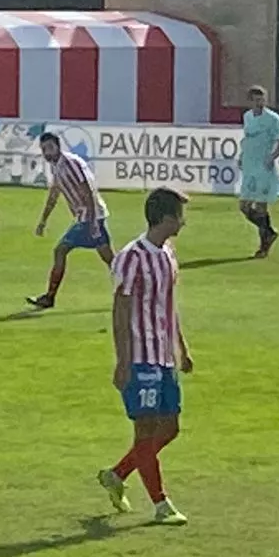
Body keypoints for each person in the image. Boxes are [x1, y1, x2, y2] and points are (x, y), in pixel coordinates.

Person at [98, 187, 193, 526]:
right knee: (145, 430)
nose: (183, 222)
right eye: (180, 215)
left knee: (170, 427)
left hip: (163, 356)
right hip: (140, 357)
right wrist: (123, 361)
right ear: (166, 218)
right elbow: (120, 311)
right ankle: (161, 504)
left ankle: (117, 474)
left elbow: (168, 303)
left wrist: (181, 347)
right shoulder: (131, 257)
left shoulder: (168, 254)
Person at [26, 132, 112, 310]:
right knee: (109, 258)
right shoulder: (56, 166)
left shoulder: (71, 164)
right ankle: (135, 287)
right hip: (88, 216)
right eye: (44, 149)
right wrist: (43, 220)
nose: (47, 152)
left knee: (60, 250)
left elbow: (88, 190)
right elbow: (54, 194)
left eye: (50, 148)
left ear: (58, 146)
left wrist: (92, 221)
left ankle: (50, 297)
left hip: (89, 217)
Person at [237, 86, 279, 257]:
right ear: (250, 101)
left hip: (264, 168)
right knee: (244, 206)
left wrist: (271, 158)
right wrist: (242, 156)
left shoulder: (273, 119)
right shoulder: (247, 117)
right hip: (249, 166)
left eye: (262, 99)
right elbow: (247, 139)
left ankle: (263, 247)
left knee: (261, 206)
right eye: (256, 100)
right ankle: (269, 232)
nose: (260, 103)